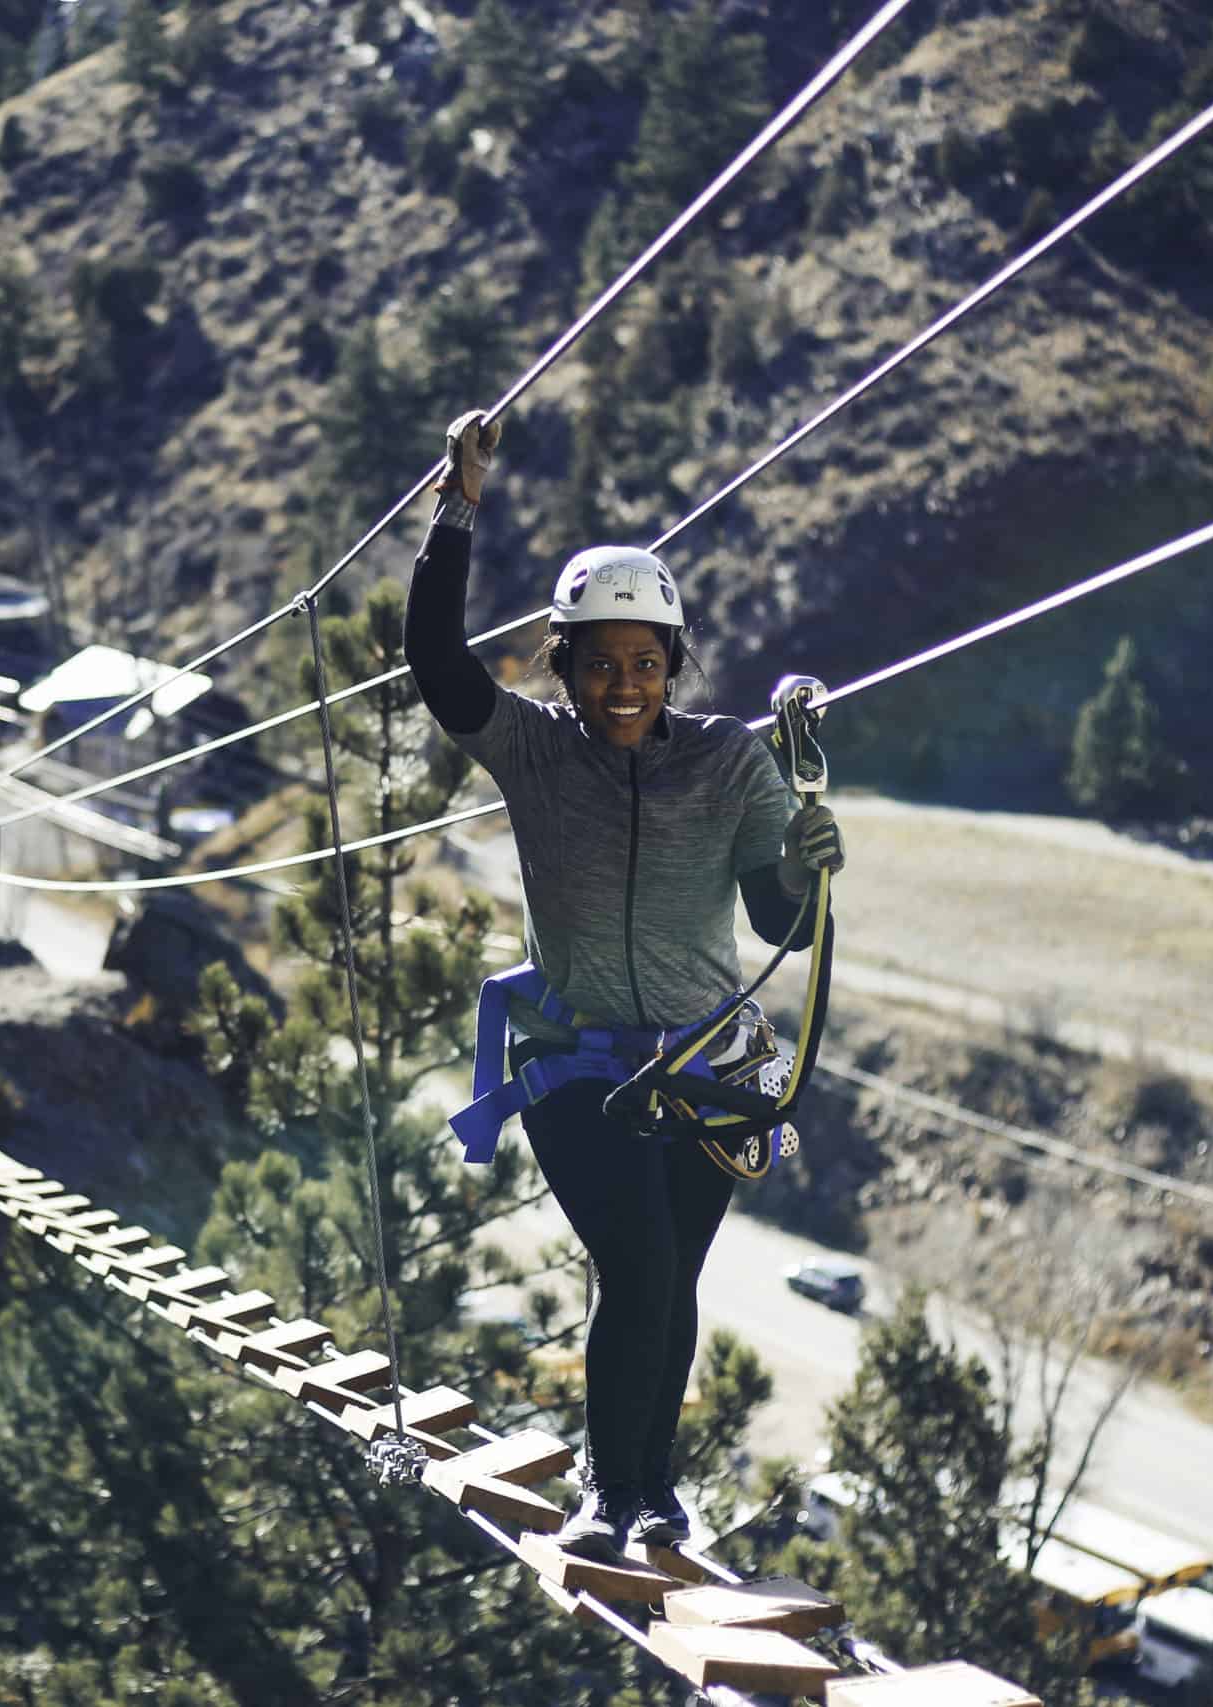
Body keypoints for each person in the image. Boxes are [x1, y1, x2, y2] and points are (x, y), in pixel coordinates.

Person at [403, 410, 845, 1563]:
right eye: (598, 663)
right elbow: (435, 665)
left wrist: (807, 863)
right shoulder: (534, 749)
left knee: (670, 1283)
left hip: (707, 1069)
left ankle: (652, 1496)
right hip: (579, 1065)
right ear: (563, 662)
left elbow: (776, 923)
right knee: (639, 1265)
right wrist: (458, 504)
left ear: (674, 667)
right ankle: (611, 1489)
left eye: (645, 664)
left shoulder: (729, 760)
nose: (622, 685)